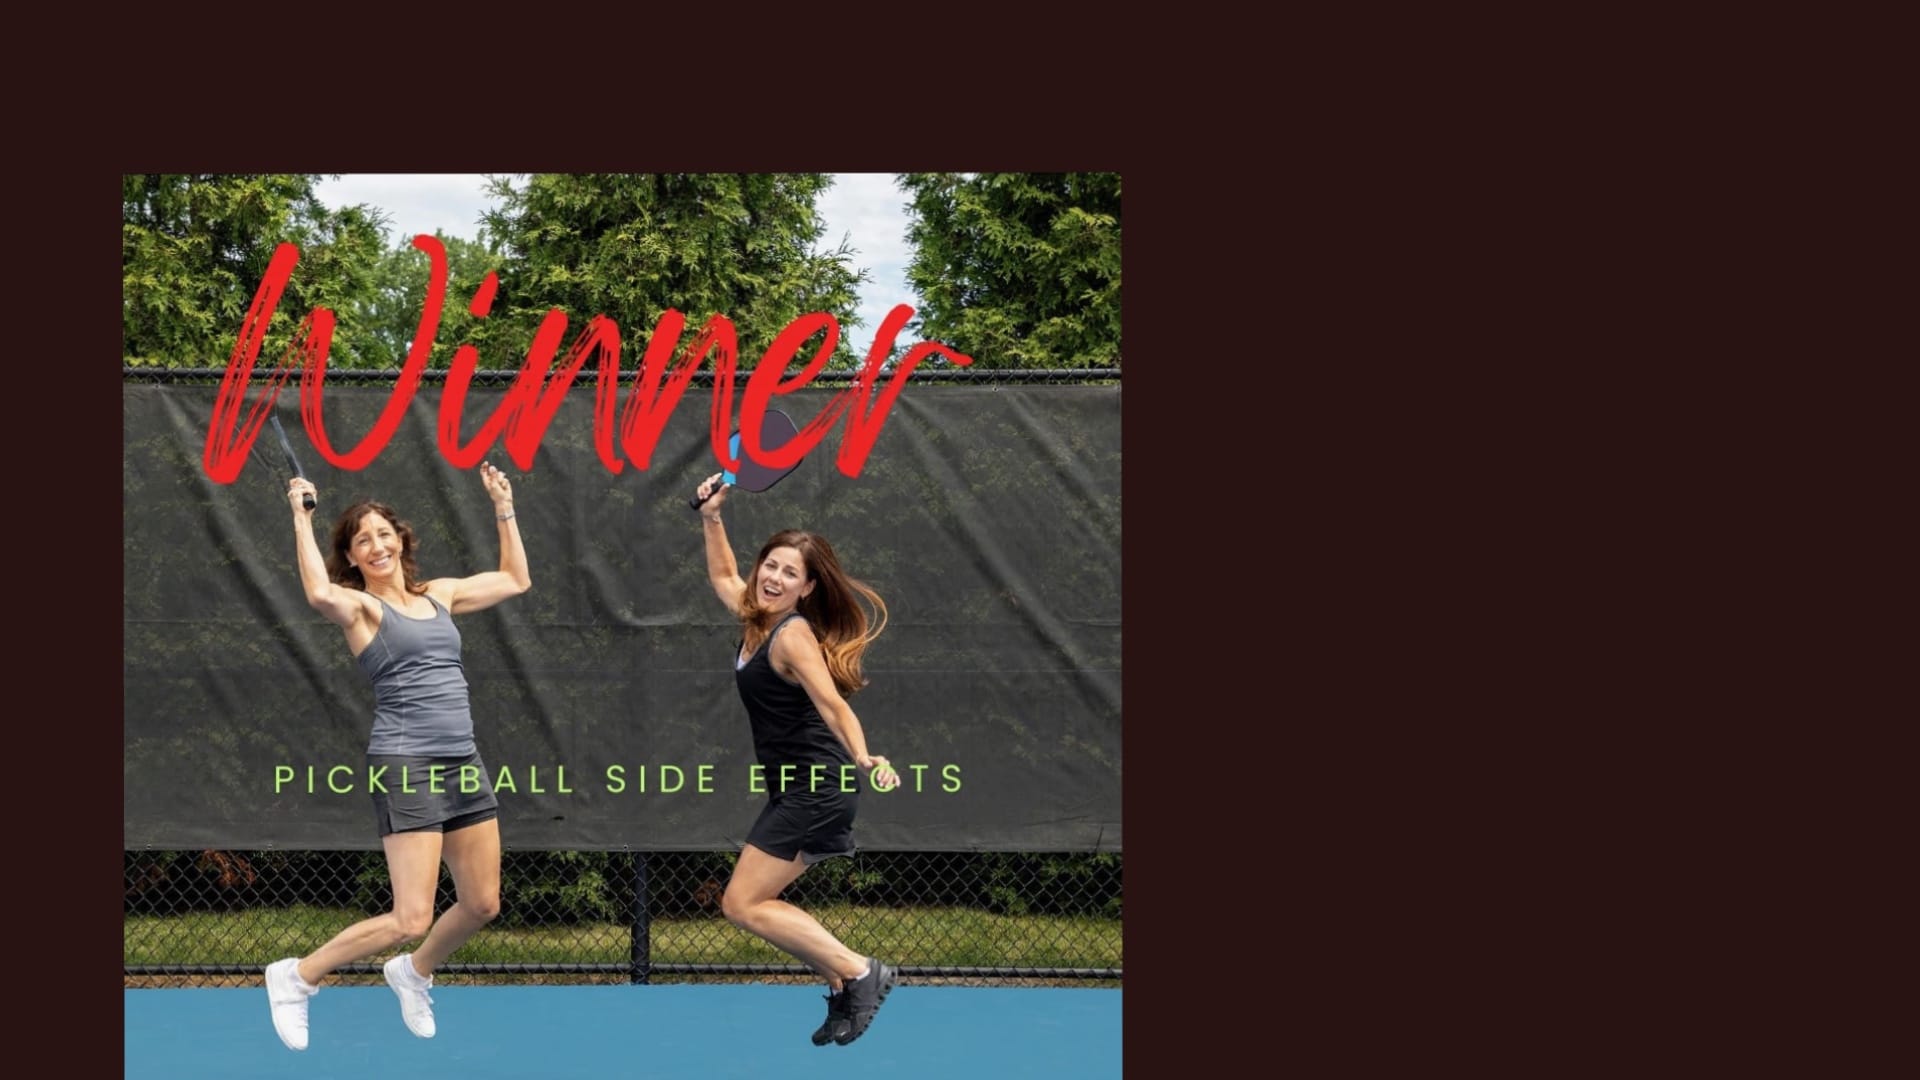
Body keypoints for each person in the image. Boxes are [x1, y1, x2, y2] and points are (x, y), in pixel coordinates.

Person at [263, 463, 531, 1052]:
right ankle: (297, 976)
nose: (377, 545)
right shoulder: (360, 610)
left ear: (402, 540)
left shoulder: (439, 594)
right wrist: (300, 517)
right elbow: (314, 592)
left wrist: (502, 506)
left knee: (483, 902)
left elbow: (515, 579)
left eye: (384, 534)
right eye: (363, 541)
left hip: (463, 761)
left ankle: (413, 971)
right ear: (353, 558)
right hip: (406, 762)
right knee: (410, 917)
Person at [693, 471, 903, 1047]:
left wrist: (864, 756)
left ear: (807, 588)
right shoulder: (754, 618)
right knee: (758, 901)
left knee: (741, 902)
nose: (774, 577)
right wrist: (712, 515)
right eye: (772, 565)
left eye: (791, 572)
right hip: (795, 787)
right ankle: (841, 985)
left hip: (820, 786)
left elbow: (833, 706)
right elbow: (721, 575)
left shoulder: (791, 637)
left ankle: (861, 972)